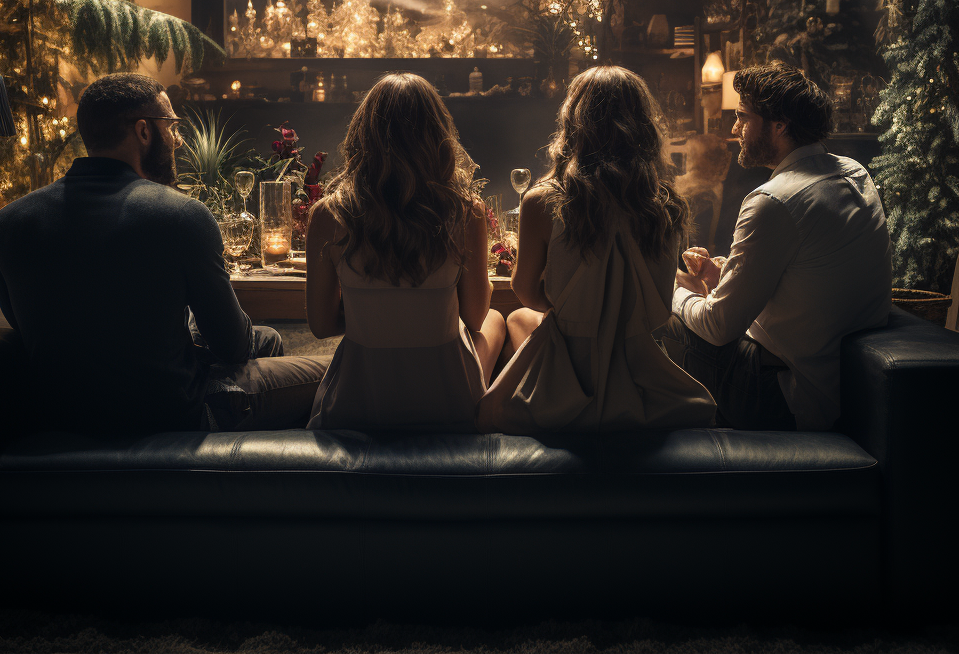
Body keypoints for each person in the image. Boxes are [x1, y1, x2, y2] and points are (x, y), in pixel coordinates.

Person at [0, 73, 329, 435]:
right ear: (144, 131)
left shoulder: (10, 222)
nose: (178, 141)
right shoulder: (179, 215)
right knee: (330, 373)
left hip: (59, 417)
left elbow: (22, 322)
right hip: (170, 413)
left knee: (269, 338)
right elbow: (234, 347)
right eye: (172, 126)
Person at [477, 66, 716, 434]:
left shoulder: (543, 201)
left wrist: (576, 309)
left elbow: (525, 292)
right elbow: (658, 296)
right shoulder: (665, 205)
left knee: (515, 318)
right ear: (644, 126)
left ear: (573, 123)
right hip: (641, 368)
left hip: (574, 363)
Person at [656, 61, 893, 432]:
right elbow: (808, 281)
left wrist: (666, 292)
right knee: (690, 295)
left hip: (788, 395)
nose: (734, 130)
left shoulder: (774, 200)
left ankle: (641, 446)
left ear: (779, 124)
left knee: (656, 311)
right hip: (843, 384)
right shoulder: (853, 172)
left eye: (743, 118)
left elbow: (719, 327)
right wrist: (726, 274)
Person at [305, 72, 506, 431]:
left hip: (358, 402)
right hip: (447, 405)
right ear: (437, 137)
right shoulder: (465, 212)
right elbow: (475, 317)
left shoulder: (328, 215)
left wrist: (378, 311)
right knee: (496, 321)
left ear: (363, 136)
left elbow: (320, 326)